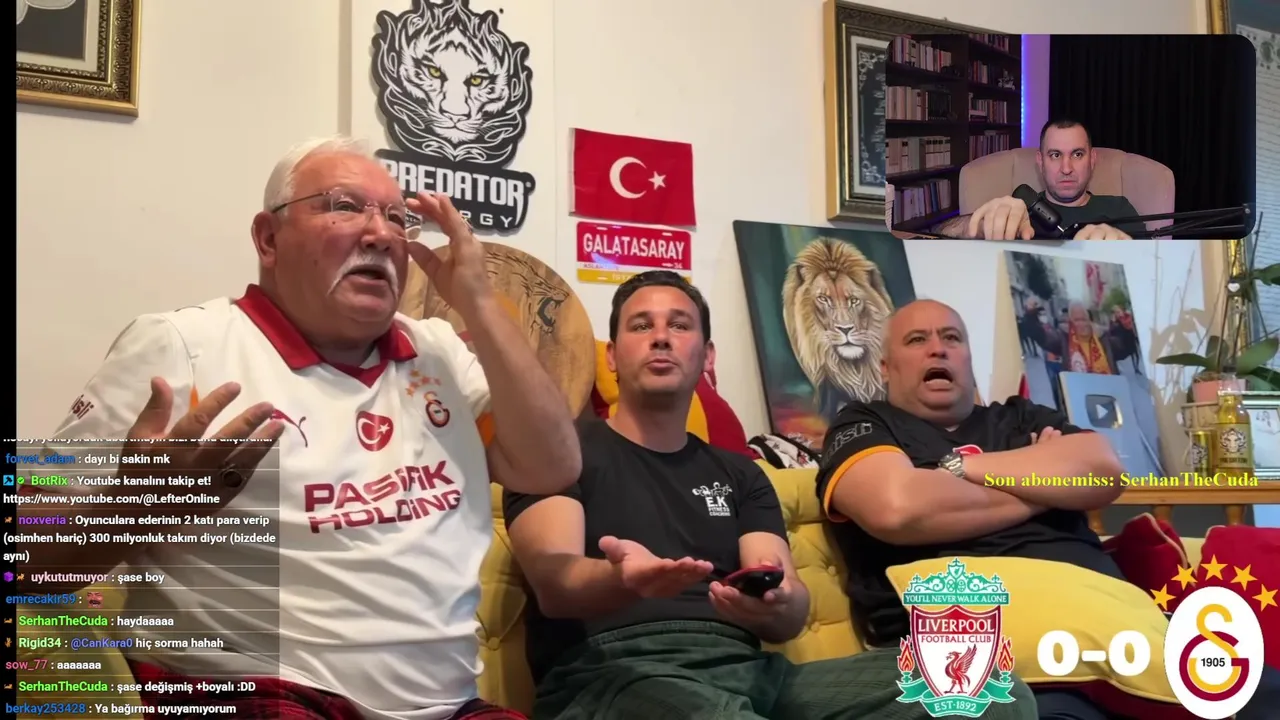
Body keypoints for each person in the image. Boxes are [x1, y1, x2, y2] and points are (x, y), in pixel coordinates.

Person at [21, 135, 582, 720]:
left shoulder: (437, 349)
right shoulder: (181, 346)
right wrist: (144, 506)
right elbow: (26, 559)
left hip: (449, 707)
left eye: (398, 218)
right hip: (253, 693)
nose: (382, 234)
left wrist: (480, 302)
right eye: (344, 206)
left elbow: (552, 468)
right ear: (268, 238)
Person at [502, 273, 1036, 720]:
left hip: (749, 670)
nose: (661, 338)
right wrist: (622, 580)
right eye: (642, 326)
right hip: (610, 674)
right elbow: (556, 587)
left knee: (989, 690)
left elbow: (787, 609)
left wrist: (777, 602)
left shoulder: (741, 474)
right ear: (613, 356)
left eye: (679, 325)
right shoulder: (558, 451)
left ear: (706, 355)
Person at [815, 298, 1280, 720]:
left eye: (951, 338)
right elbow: (899, 510)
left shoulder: (1021, 416)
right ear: (886, 366)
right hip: (983, 652)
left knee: (1262, 691)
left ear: (968, 358)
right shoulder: (865, 424)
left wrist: (959, 469)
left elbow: (1103, 473)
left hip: (1114, 626)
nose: (938, 349)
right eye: (917, 340)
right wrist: (1044, 480)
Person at [915, 119, 1143, 241]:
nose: (1066, 169)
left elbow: (1151, 274)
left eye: (1077, 154)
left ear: (1092, 160)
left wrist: (1124, 250)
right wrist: (978, 225)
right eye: (1055, 155)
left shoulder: (1118, 207)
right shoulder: (1018, 211)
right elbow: (938, 232)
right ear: (1040, 161)